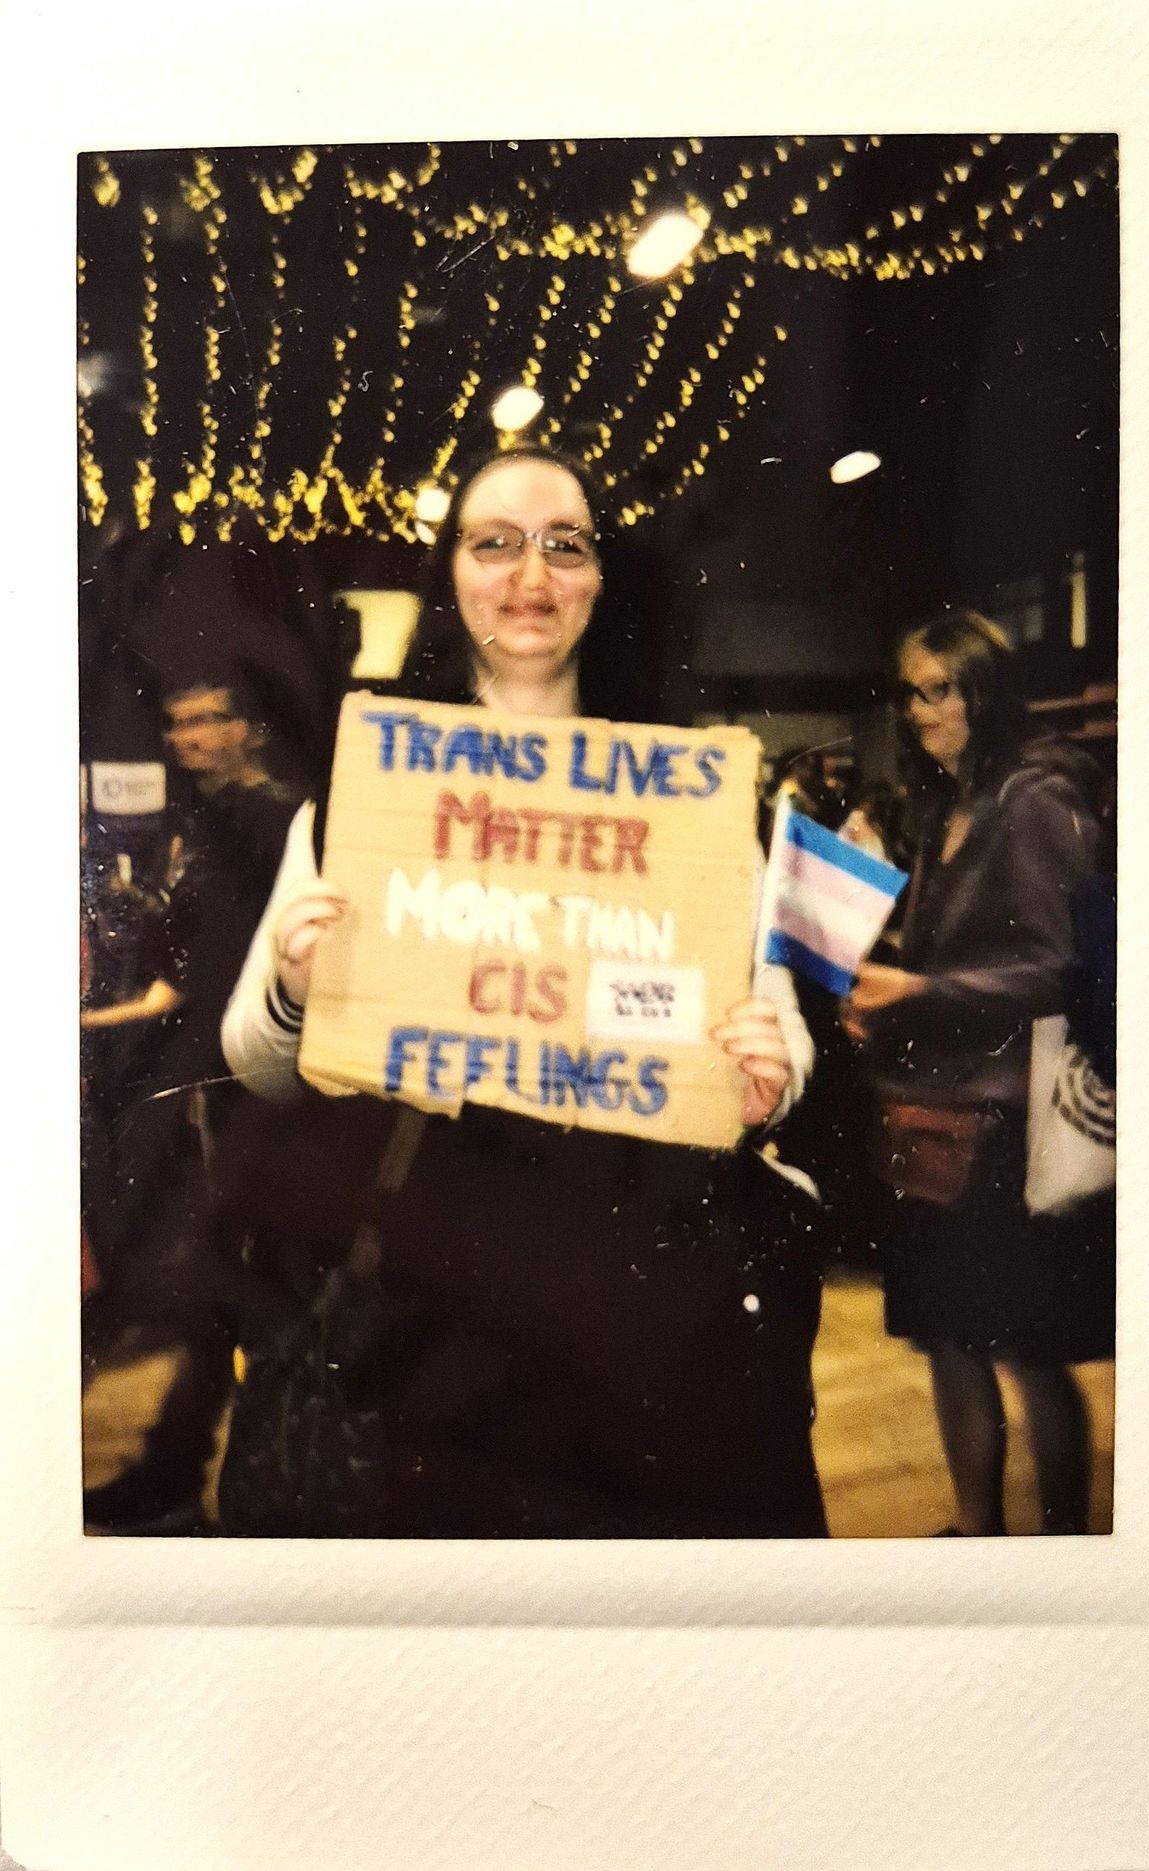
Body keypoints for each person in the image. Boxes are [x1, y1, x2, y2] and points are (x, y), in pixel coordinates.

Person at [218, 444, 827, 1539]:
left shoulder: (687, 795)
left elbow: (770, 1018)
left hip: (639, 1300)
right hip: (431, 1315)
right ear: (451, 570)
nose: (530, 575)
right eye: (493, 542)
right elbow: (257, 1059)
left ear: (602, 577)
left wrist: (770, 1074)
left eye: (566, 545)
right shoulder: (369, 791)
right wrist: (300, 985)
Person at [842, 610, 1112, 1536]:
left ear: (985, 692)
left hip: (1010, 1128)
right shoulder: (945, 808)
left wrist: (914, 989)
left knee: (1031, 1351)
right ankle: (975, 1531)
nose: (921, 711)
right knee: (949, 1342)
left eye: (942, 688)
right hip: (935, 1117)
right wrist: (883, 992)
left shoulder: (1034, 800)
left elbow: (1060, 968)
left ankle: (1071, 1548)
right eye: (911, 690)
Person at [82, 674, 299, 1532]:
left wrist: (98, 1015)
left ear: (249, 727)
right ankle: (181, 1469)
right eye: (176, 724)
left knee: (226, 1270)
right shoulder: (216, 820)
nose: (187, 736)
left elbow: (196, 982)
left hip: (236, 1073)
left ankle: (190, 1473)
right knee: (224, 1278)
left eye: (207, 720)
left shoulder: (262, 818)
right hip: (216, 1067)